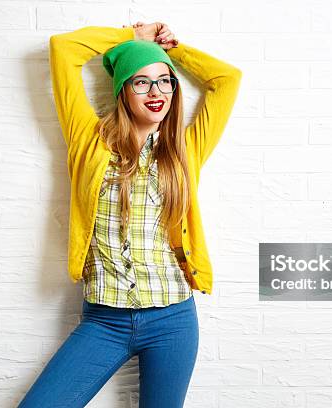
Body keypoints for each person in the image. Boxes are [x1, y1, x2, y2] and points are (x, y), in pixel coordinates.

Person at [18, 21, 241, 408]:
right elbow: (64, 49)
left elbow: (227, 79)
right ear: (122, 90)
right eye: (140, 82)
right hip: (104, 321)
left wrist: (176, 49)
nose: (156, 93)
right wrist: (130, 38)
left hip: (173, 318)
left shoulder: (184, 150)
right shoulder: (87, 139)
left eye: (164, 81)